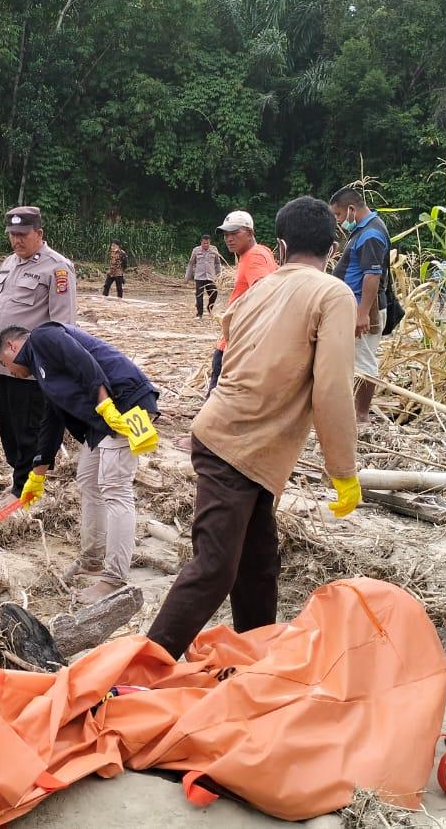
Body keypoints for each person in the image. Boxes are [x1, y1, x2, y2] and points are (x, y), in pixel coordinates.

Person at [147, 197, 359, 659]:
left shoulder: (258, 290)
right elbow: (332, 390)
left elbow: (229, 351)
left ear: (279, 245)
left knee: (258, 565)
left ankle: (255, 658)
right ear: (333, 247)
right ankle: (137, 672)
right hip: (235, 447)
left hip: (237, 443)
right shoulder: (333, 293)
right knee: (215, 569)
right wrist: (343, 469)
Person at [0, 322, 160, 604]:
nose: (11, 372)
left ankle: (113, 579)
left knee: (115, 488)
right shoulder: (44, 372)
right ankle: (92, 560)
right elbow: (51, 421)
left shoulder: (43, 337)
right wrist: (36, 477)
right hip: (102, 417)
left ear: (11, 346)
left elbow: (85, 362)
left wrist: (106, 405)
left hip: (125, 403)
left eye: (6, 365)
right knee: (87, 478)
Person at [0, 206, 78, 496]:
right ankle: (19, 480)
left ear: (39, 233)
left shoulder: (56, 268)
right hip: (3, 362)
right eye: (12, 235)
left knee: (29, 430)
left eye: (22, 235)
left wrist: (55, 368)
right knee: (9, 430)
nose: (16, 241)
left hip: (31, 369)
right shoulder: (9, 263)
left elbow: (63, 324)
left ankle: (26, 491)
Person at [329, 187, 390, 422]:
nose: (339, 221)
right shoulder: (364, 230)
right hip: (355, 305)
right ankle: (352, 410)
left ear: (352, 209)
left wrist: (363, 313)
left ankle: (361, 415)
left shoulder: (371, 234)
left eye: (339, 215)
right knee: (355, 359)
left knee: (364, 362)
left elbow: (372, 275)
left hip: (365, 308)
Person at [208, 210, 277, 391]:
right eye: (226, 234)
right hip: (243, 340)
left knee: (219, 396)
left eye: (234, 233)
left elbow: (264, 293)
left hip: (238, 341)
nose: (229, 238)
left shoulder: (254, 256)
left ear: (250, 233)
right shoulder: (261, 252)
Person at [185, 233, 224, 318]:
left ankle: (209, 308)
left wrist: (219, 275)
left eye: (207, 243)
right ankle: (199, 314)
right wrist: (187, 277)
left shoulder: (214, 250)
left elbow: (217, 263)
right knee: (199, 295)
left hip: (210, 277)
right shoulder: (196, 250)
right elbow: (191, 264)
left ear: (210, 243)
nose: (206, 245)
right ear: (201, 243)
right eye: (204, 243)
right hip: (199, 277)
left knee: (214, 293)